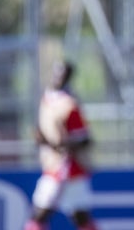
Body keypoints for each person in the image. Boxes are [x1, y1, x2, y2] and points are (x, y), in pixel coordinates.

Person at [25, 61, 97, 230]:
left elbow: (84, 138)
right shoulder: (47, 99)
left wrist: (61, 144)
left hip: (66, 167)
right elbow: (44, 131)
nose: (57, 78)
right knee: (79, 217)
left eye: (62, 74)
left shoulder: (69, 105)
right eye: (55, 73)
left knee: (40, 214)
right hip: (54, 164)